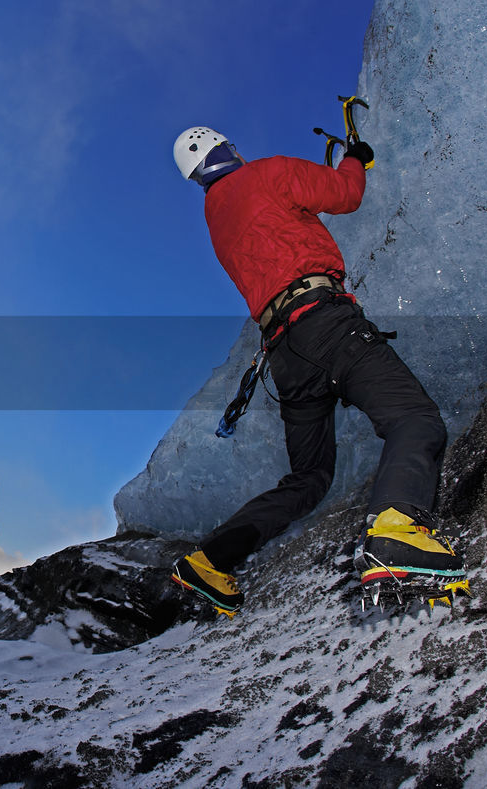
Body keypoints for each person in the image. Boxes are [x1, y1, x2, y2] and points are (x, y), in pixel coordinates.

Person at [167, 126, 467, 615]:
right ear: (227, 148)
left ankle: (209, 560)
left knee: (309, 477)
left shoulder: (216, 217)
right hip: (326, 322)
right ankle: (396, 532)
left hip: (285, 354)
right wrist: (356, 159)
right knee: (414, 418)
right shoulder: (267, 173)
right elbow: (345, 195)